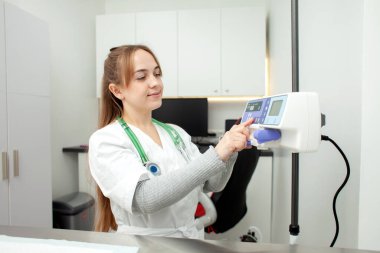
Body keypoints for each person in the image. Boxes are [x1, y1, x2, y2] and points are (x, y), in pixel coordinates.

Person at [88, 44, 253, 239]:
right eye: (142, 77)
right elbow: (145, 199)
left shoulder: (175, 133)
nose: (155, 83)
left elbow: (212, 184)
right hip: (146, 244)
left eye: (157, 74)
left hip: (190, 240)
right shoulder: (106, 140)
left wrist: (230, 151)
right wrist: (216, 153)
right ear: (117, 90)